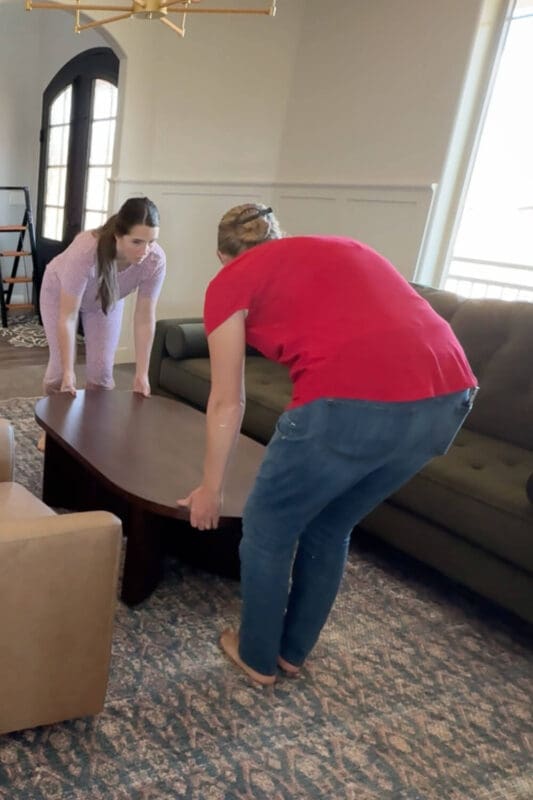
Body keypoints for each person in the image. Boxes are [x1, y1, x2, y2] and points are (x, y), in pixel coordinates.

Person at [178, 203, 477, 687]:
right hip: (449, 398)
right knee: (331, 524)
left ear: (222, 255)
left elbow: (227, 401)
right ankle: (292, 652)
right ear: (279, 236)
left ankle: (256, 655)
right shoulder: (348, 245)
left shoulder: (230, 280)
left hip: (347, 405)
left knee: (268, 527)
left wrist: (211, 488)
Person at [38, 197, 165, 448]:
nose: (145, 250)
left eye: (152, 241)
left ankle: (89, 435)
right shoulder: (86, 250)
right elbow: (68, 316)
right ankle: (52, 429)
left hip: (106, 300)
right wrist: (68, 372)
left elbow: (144, 318)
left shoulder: (155, 261)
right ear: (118, 235)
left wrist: (142, 373)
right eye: (137, 242)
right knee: (58, 373)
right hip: (59, 294)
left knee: (102, 375)